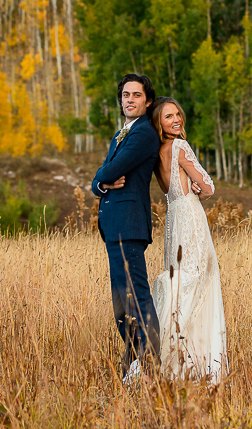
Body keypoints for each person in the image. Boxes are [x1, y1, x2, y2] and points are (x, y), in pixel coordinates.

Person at [148, 96, 227, 383]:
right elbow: (208, 187)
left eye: (177, 114)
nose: (177, 119)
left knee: (181, 278)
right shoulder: (180, 146)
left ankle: (172, 359)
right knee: (200, 282)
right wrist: (199, 189)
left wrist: (188, 184)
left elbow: (171, 189)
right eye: (168, 117)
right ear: (159, 123)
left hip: (173, 221)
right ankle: (201, 365)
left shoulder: (157, 154)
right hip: (191, 219)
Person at [92, 73, 161, 384]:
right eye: (125, 95)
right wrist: (101, 183)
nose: (129, 100)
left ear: (147, 101)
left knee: (136, 296)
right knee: (122, 300)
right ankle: (135, 362)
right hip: (116, 226)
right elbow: (101, 179)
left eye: (136, 95)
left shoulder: (143, 134)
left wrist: (102, 178)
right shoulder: (122, 133)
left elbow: (111, 170)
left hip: (129, 225)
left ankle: (150, 364)